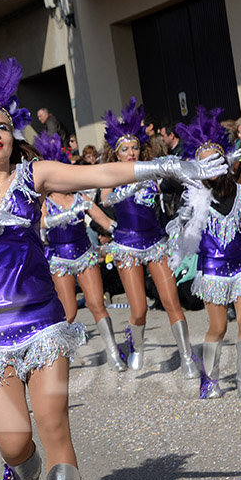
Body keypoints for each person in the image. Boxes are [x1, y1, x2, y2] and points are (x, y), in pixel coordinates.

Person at [0, 51, 225, 480]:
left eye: (3, 125)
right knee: (16, 442)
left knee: (55, 424)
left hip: (42, 320)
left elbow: (99, 170)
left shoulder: (33, 175)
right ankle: (21, 471)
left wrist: (168, 166)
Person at [169, 107, 241, 399]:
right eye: (203, 164)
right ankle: (209, 379)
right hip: (212, 270)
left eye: (214, 161)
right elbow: (183, 237)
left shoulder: (240, 192)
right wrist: (183, 219)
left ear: (224, 162)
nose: (210, 168)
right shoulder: (193, 196)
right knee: (218, 326)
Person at [97, 98, 202, 378]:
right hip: (126, 245)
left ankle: (187, 356)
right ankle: (138, 346)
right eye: (124, 149)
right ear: (116, 152)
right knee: (140, 308)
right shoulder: (111, 174)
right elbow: (105, 199)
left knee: (171, 301)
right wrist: (127, 190)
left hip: (155, 242)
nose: (131, 152)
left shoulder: (150, 169)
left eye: (134, 147)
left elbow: (174, 180)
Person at [33, 130, 128, 372]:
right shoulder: (44, 202)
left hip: (85, 254)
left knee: (97, 303)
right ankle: (58, 356)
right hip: (60, 259)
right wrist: (57, 219)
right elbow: (40, 224)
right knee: (69, 311)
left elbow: (106, 222)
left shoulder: (81, 198)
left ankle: (113, 353)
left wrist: (126, 232)